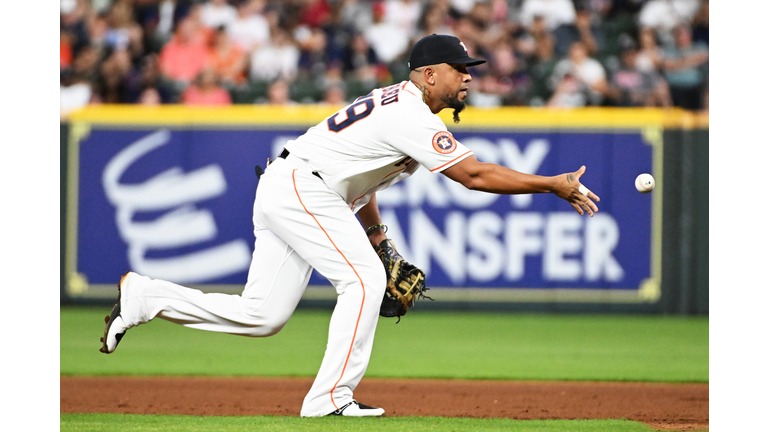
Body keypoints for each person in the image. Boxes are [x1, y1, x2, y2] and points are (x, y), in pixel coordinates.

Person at [99, 34, 600, 418]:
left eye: (469, 70)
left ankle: (146, 297)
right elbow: (474, 175)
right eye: (459, 69)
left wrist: (377, 236)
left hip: (294, 184)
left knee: (263, 315)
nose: (468, 78)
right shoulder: (413, 116)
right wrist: (551, 184)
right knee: (364, 280)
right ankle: (331, 398)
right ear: (428, 75)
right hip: (302, 186)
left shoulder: (404, 106)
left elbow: (360, 180)